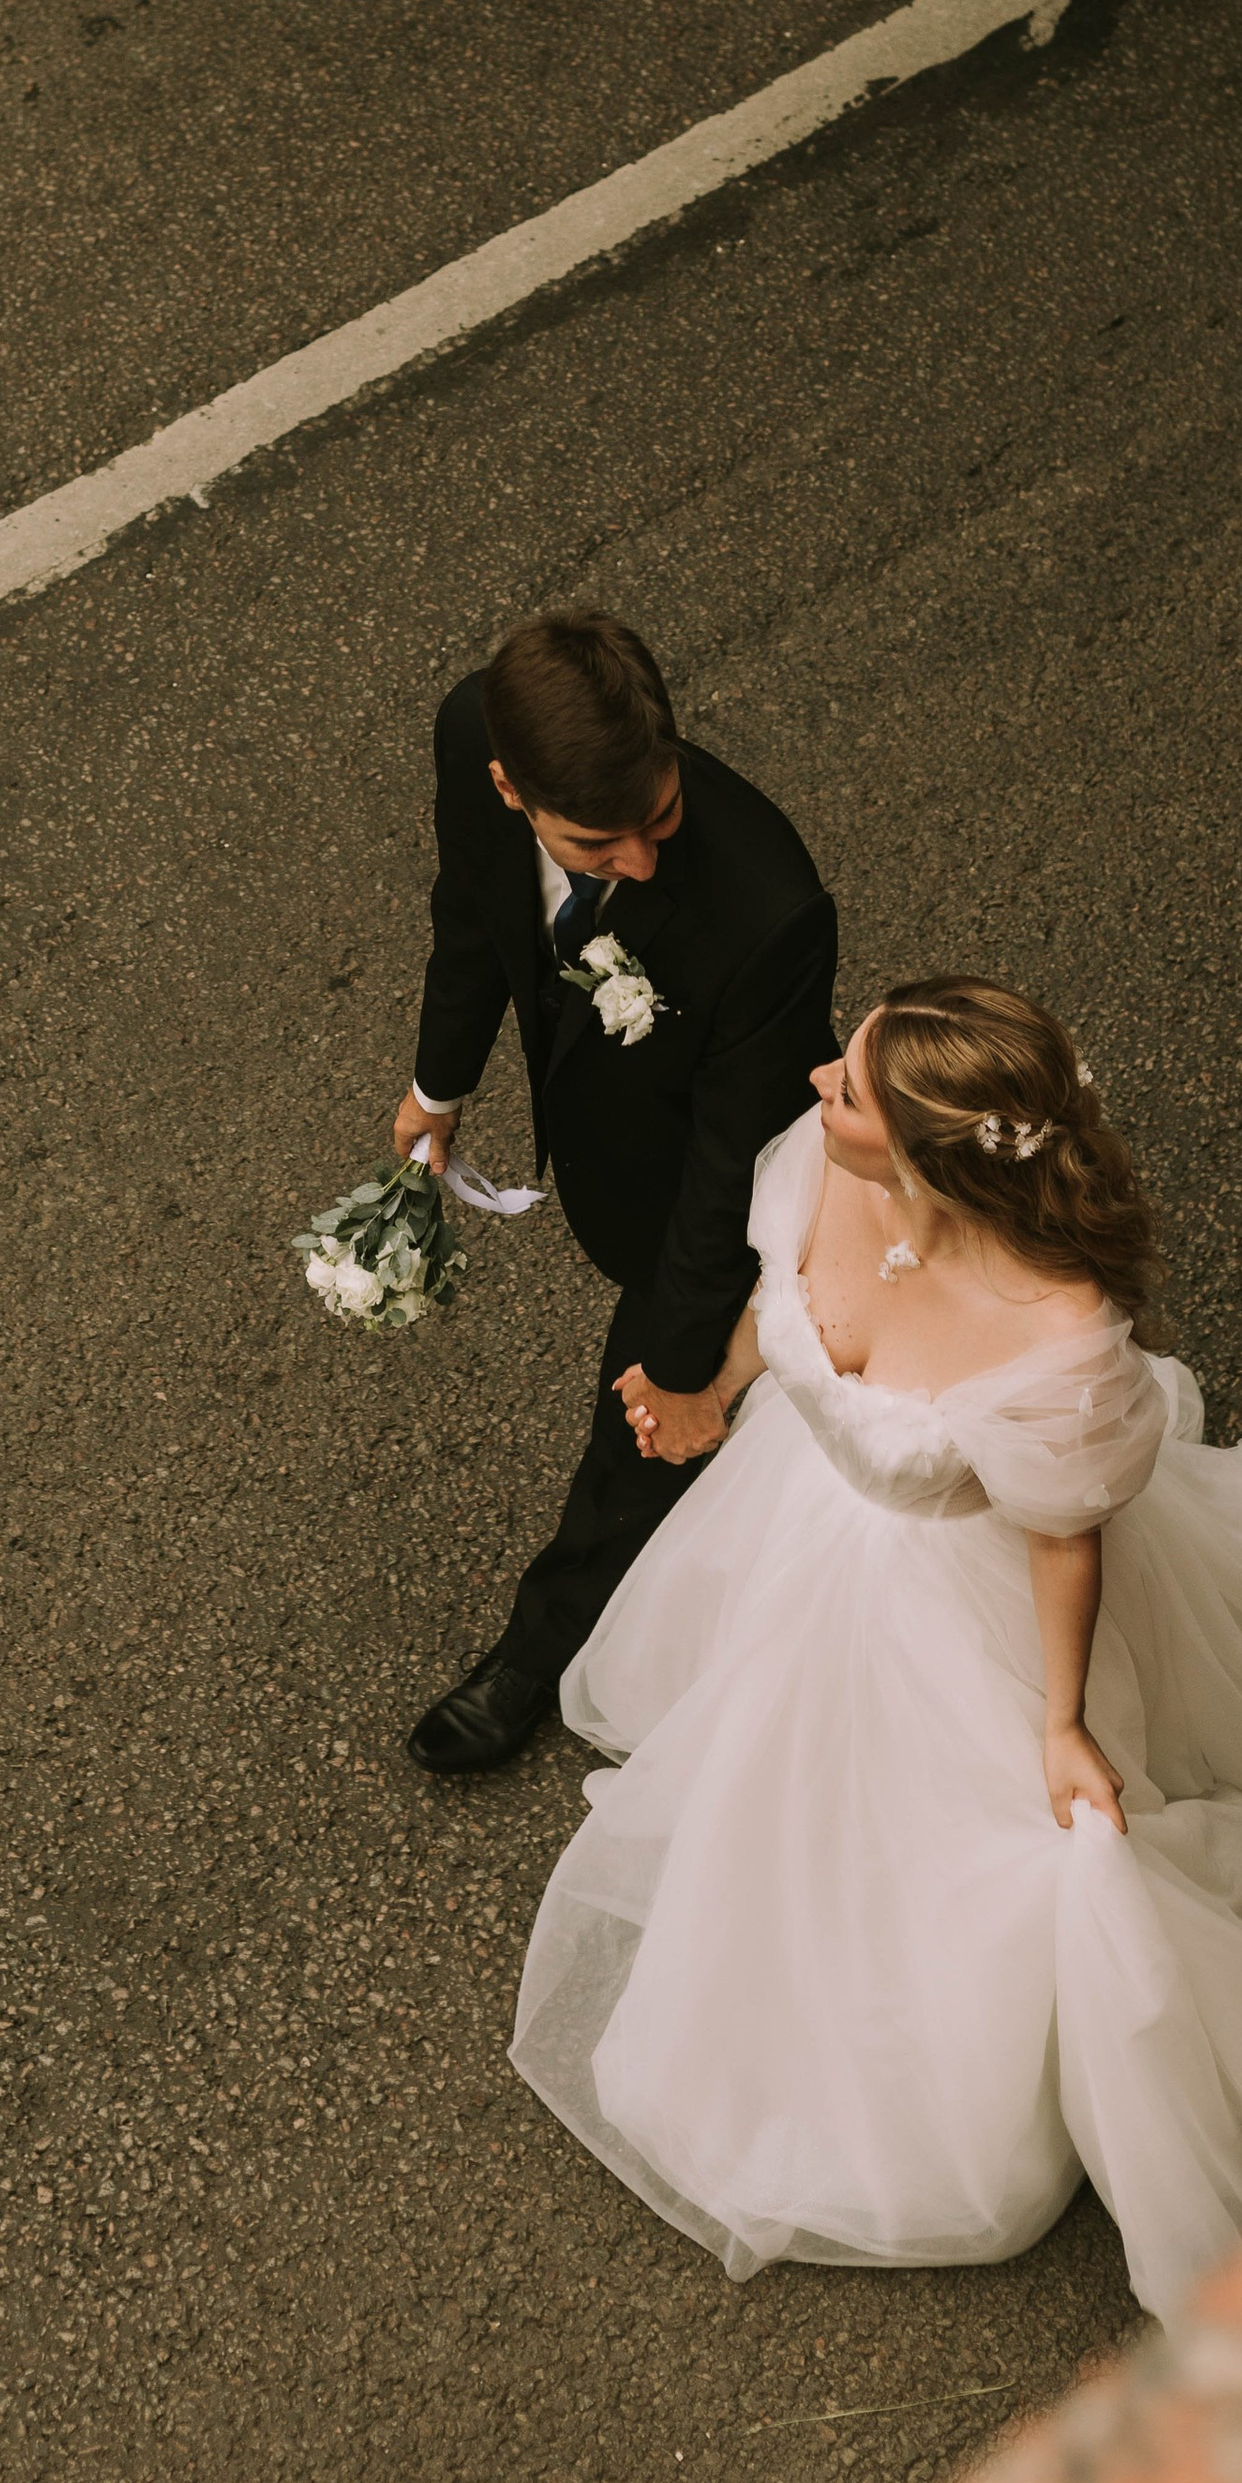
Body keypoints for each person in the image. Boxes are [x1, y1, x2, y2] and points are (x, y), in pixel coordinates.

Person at [509, 980, 1242, 2332]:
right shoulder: (820, 1158)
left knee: (952, 1831)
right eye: (848, 1063)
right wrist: (716, 1396)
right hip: (808, 1529)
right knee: (773, 1776)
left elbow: (1066, 1540)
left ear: (930, 1161)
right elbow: (780, 1305)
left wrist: (1062, 1721)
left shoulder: (1060, 1336)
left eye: (850, 1088)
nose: (821, 1083)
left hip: (966, 1594)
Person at [396, 610, 838, 1773]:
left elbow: (725, 1175)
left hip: (710, 1171)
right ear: (508, 784)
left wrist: (686, 1368)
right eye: (599, 845)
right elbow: (472, 914)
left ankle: (537, 1652)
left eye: (661, 820)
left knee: (651, 1402)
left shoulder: (769, 911)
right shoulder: (465, 732)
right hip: (612, 1128)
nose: (640, 862)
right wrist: (438, 1087)